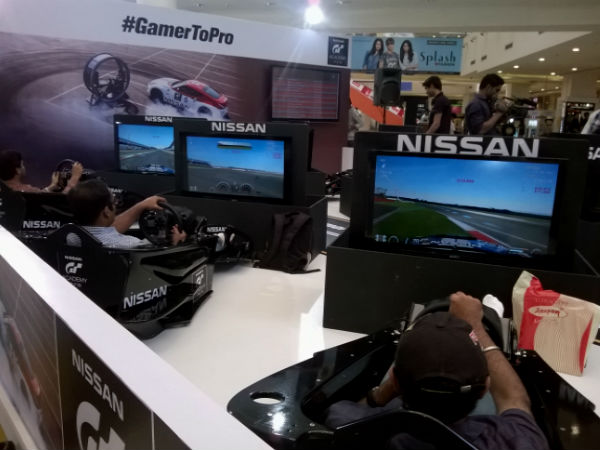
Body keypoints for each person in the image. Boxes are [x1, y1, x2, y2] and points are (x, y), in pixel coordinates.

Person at [325, 292, 549, 450]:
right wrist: (477, 327)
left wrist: (383, 393)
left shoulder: (344, 424)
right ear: (485, 387)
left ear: (395, 380)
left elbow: (348, 412)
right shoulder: (517, 440)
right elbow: (514, 399)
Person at [67, 179, 186, 249]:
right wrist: (176, 242)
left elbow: (104, 232)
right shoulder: (131, 245)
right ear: (106, 211)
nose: (116, 205)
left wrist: (141, 206)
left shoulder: (69, 238)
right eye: (114, 201)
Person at [0, 149, 83, 193]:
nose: (24, 167)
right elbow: (62, 199)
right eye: (22, 165)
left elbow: (41, 194)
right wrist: (75, 178)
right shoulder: (26, 191)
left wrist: (52, 186)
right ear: (17, 170)